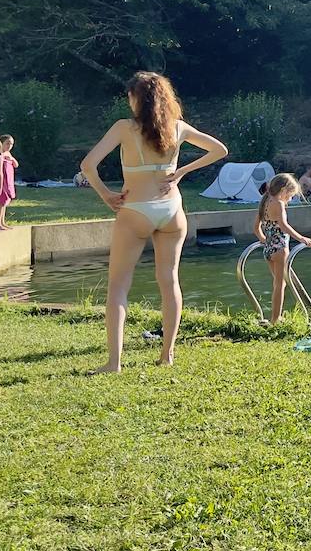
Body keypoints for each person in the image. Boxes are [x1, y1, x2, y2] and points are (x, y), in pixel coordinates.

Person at [79, 72, 227, 373]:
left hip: (135, 209)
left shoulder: (124, 128)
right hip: (171, 209)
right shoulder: (178, 127)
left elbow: (87, 165)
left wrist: (106, 194)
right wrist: (182, 171)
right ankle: (167, 354)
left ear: (136, 98)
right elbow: (219, 150)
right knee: (169, 281)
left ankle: (114, 362)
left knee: (118, 287)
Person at [256, 173, 311, 324]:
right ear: (284, 190)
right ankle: (275, 319)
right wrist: (302, 239)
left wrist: (264, 240)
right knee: (280, 285)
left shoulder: (265, 201)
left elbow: (256, 228)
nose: (290, 199)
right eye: (291, 195)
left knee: (278, 284)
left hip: (268, 250)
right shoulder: (278, 203)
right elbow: (284, 226)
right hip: (280, 249)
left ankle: (275, 317)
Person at [0, 135, 18, 229]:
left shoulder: (8, 154)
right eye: (7, 143)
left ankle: (2, 222)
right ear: (1, 143)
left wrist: (11, 159)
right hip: (2, 181)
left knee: (5, 202)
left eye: (11, 144)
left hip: (9, 181)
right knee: (1, 202)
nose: (9, 146)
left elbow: (16, 165)